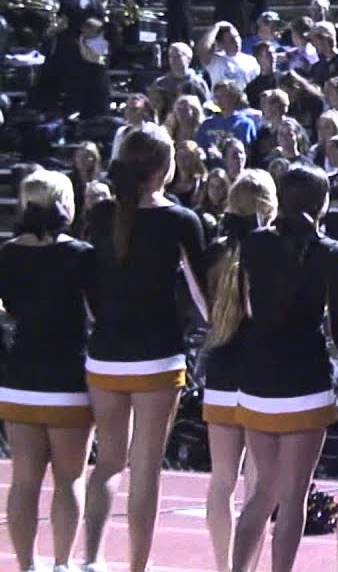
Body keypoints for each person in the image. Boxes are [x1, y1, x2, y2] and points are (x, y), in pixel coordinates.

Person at [82, 124, 208, 572]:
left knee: (107, 461)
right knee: (146, 466)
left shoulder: (99, 215)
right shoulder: (179, 220)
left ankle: (91, 558)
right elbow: (202, 295)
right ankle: (137, 564)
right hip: (157, 354)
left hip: (106, 353)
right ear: (162, 168)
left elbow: (89, 286)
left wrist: (102, 321)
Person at [230, 165, 338, 572]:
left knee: (261, 492)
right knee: (293, 496)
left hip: (257, 378)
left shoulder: (253, 243)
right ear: (323, 205)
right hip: (305, 379)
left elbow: (245, 310)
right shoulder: (333, 254)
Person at [0, 170, 96, 572]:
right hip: (68, 377)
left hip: (19, 376)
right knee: (69, 479)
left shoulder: (6, 253)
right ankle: (60, 564)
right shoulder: (81, 255)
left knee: (24, 480)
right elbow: (97, 314)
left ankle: (26, 566)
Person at [200, 170, 276, 572]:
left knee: (221, 480)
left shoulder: (214, 250)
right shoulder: (269, 250)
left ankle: (221, 565)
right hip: (260, 376)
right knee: (258, 486)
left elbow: (202, 308)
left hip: (221, 368)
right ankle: (245, 567)